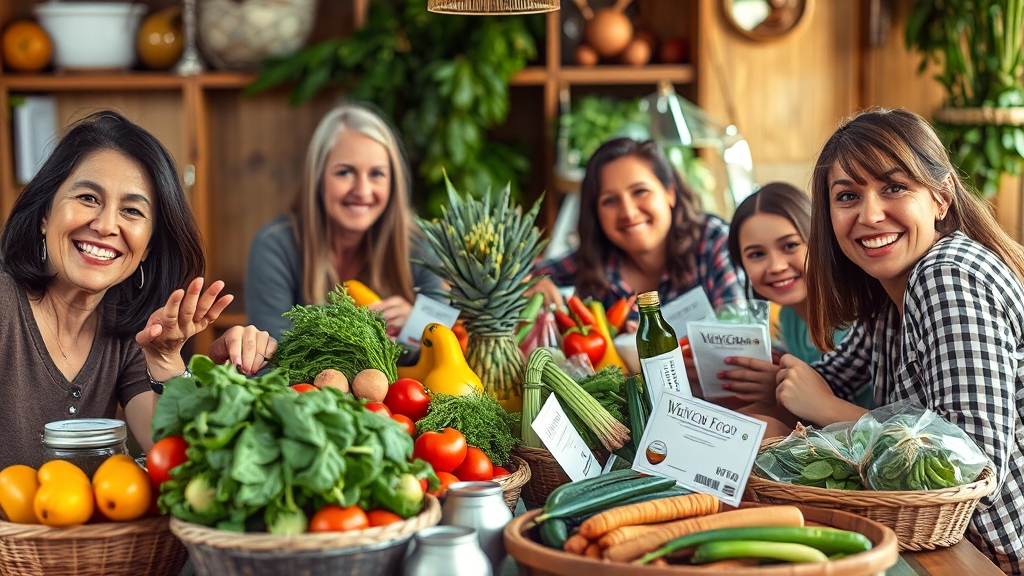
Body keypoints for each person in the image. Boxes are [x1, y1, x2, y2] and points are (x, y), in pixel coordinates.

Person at [766, 108, 1024, 572]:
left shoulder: (948, 276)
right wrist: (756, 371)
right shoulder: (889, 293)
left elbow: (972, 469)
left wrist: (828, 410)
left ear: (941, 197)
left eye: (894, 188)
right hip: (943, 544)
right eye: (847, 195)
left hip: (997, 558)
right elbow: (832, 377)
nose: (869, 214)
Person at [0, 110, 275, 469]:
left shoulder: (127, 328)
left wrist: (166, 358)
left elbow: (176, 457)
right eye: (87, 198)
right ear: (44, 215)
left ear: (146, 248)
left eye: (131, 210)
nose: (105, 225)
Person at [246, 103, 443, 344]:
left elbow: (446, 339)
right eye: (344, 172)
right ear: (318, 178)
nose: (362, 191)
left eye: (377, 174)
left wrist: (415, 325)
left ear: (393, 182)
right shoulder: (275, 246)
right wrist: (371, 337)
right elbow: (271, 349)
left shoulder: (421, 244)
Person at [531, 138, 745, 327]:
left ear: (670, 192)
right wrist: (530, 285)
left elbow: (739, 335)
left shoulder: (713, 241)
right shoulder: (594, 259)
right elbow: (524, 279)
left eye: (640, 191)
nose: (628, 212)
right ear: (595, 213)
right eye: (610, 201)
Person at [718, 183, 863, 411]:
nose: (776, 266)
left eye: (790, 245)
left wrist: (777, 385)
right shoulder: (789, 316)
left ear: (819, 240)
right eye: (756, 254)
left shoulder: (854, 313)